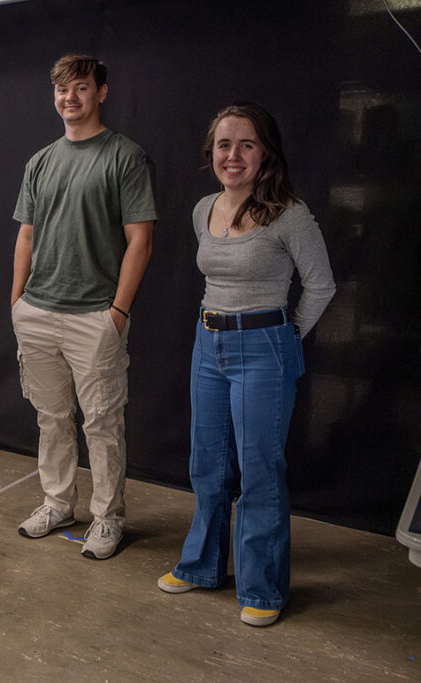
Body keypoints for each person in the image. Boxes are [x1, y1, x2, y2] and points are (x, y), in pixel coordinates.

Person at [157, 102, 336, 627]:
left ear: (265, 153)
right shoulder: (203, 208)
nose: (232, 155)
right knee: (207, 464)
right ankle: (201, 567)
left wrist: (286, 334)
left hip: (265, 348)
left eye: (246, 144)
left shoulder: (291, 214)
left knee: (260, 469)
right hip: (207, 343)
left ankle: (261, 587)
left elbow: (322, 285)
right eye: (223, 144)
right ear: (211, 152)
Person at [11, 54, 157, 560]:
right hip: (38, 312)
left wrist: (117, 312)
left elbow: (140, 240)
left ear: (101, 92)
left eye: (79, 88)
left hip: (95, 315)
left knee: (101, 422)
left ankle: (107, 518)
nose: (69, 98)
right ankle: (57, 503)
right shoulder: (41, 161)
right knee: (51, 418)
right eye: (61, 90)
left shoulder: (125, 156)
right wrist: (17, 302)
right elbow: (26, 235)